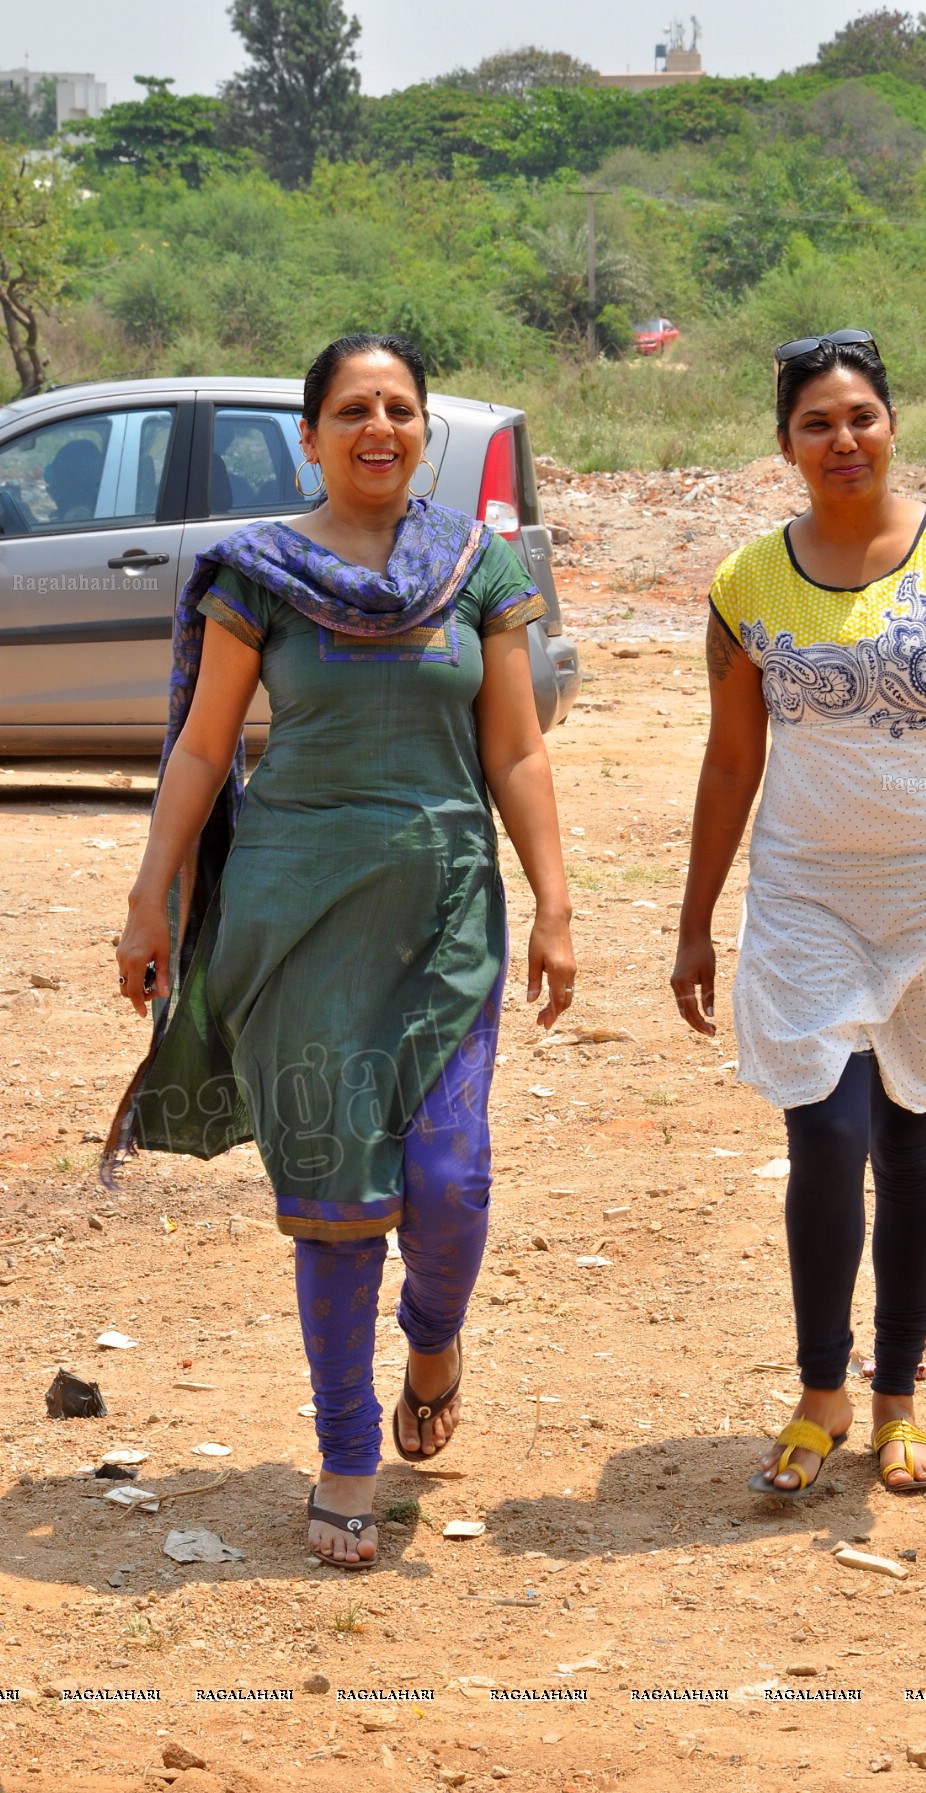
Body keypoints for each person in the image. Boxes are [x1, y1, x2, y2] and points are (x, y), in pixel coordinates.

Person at [107, 333, 576, 1567]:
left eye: (401, 409)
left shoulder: (478, 568)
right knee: (333, 1203)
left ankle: (434, 1334)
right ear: (309, 435)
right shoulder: (258, 571)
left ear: (426, 432)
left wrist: (557, 902)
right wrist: (151, 895)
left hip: (441, 912)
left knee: (451, 1179)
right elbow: (205, 750)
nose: (379, 427)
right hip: (295, 912)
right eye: (353, 410)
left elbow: (517, 751)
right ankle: (346, 1457)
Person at [670, 329, 926, 1497]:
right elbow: (730, 763)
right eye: (814, 424)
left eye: (859, 419)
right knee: (825, 1138)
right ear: (783, 444)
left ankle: (895, 1400)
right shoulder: (744, 583)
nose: (841, 441)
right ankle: (817, 1392)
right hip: (804, 898)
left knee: (910, 1142)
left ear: (891, 426)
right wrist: (693, 922)